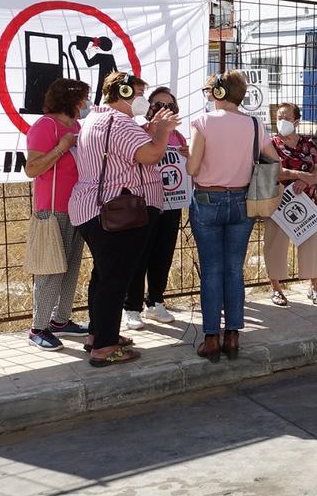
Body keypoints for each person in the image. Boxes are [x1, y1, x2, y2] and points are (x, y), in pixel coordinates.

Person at [69, 71, 176, 366]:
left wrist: (150, 129)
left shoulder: (97, 118)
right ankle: (104, 347)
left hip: (93, 208)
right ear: (125, 93)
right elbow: (151, 155)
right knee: (114, 280)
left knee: (104, 276)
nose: (144, 100)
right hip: (116, 211)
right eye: (139, 93)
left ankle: (99, 334)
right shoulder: (120, 123)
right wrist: (163, 131)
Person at [186, 70, 275, 361]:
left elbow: (192, 168)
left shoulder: (203, 122)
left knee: (212, 270)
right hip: (242, 200)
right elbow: (273, 159)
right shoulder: (254, 123)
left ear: (218, 93)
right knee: (234, 269)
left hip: (207, 198)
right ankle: (233, 335)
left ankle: (211, 338)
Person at [25, 78, 92, 351]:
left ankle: (61, 320)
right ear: (71, 100)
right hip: (52, 210)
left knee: (71, 267)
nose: (87, 103)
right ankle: (38, 327)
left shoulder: (76, 127)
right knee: (51, 269)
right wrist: (61, 147)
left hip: (77, 207)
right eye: (84, 98)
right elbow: (32, 168)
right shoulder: (45, 126)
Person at [122, 86, 188, 330]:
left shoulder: (178, 136)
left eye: (170, 105)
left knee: (163, 253)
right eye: (159, 105)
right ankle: (131, 307)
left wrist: (188, 154)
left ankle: (156, 301)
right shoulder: (139, 132)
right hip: (145, 203)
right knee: (139, 254)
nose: (164, 109)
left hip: (172, 202)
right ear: (149, 108)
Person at [265, 102, 317, 307]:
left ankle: (313, 287)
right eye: (279, 117)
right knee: (275, 245)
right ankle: (276, 288)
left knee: (311, 245)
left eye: (286, 118)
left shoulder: (309, 143)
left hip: (306, 202)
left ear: (296, 121)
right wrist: (299, 175)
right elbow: (272, 171)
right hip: (279, 203)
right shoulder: (270, 144)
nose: (282, 121)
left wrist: (307, 181)